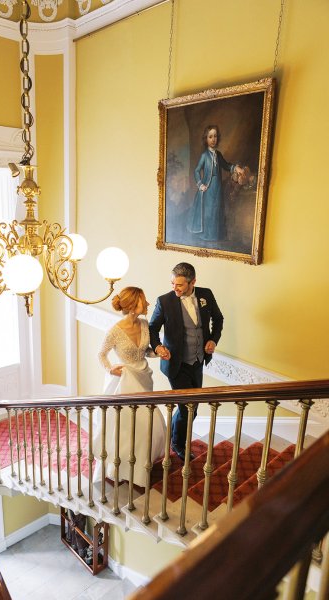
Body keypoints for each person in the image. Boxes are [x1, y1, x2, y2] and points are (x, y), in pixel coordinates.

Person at [149, 263, 223, 461]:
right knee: (187, 408)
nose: (175, 288)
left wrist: (213, 340)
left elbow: (219, 319)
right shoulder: (164, 301)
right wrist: (157, 347)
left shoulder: (205, 294)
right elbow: (152, 328)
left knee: (193, 407)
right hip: (176, 364)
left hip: (198, 361)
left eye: (180, 285)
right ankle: (178, 444)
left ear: (193, 282)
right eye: (173, 283)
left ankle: (172, 433)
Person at [95, 287, 167, 487]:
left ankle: (139, 469)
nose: (148, 303)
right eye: (144, 301)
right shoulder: (115, 331)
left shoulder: (144, 324)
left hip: (144, 379)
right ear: (133, 305)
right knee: (127, 426)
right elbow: (101, 354)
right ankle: (118, 468)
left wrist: (158, 353)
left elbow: (145, 352)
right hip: (126, 381)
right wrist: (111, 369)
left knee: (146, 426)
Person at [187, 125, 245, 241]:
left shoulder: (218, 155)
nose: (213, 139)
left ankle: (215, 236)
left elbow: (226, 165)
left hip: (217, 187)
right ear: (206, 139)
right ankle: (206, 236)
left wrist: (236, 168)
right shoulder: (204, 156)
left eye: (215, 136)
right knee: (208, 211)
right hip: (207, 188)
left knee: (216, 210)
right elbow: (197, 170)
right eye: (210, 137)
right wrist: (200, 184)